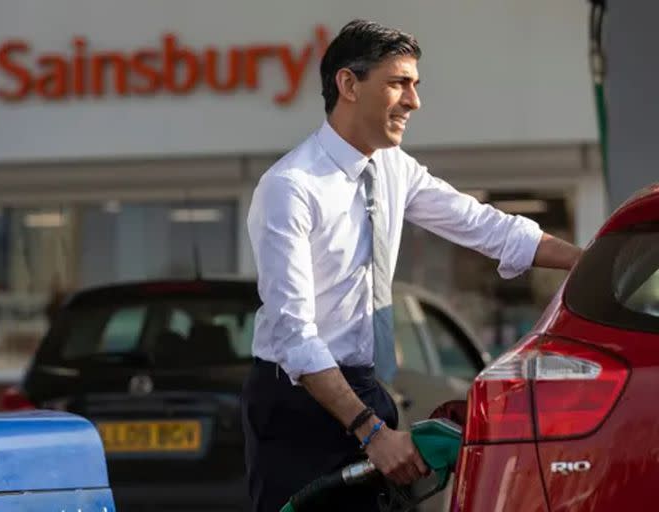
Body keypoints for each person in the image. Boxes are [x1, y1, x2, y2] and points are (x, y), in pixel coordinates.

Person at [242, 19, 582, 512]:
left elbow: (489, 228)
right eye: (398, 83)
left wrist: (594, 262)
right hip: (298, 404)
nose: (413, 101)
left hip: (363, 388)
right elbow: (295, 336)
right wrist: (372, 432)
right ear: (348, 84)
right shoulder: (290, 187)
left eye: (415, 85)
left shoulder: (393, 168)